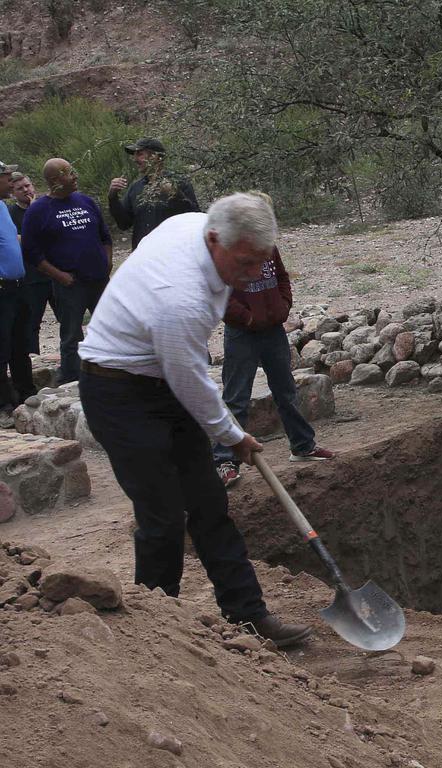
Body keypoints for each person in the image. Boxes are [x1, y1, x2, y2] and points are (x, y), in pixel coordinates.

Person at [76, 192, 312, 648]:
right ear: (213, 239)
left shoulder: (198, 227)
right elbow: (189, 379)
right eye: (243, 264)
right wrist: (233, 435)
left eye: (258, 265)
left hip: (160, 376)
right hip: (116, 389)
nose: (249, 276)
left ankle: (248, 615)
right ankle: (158, 631)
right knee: (162, 515)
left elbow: (181, 377)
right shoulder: (178, 297)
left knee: (209, 505)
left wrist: (226, 432)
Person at [212, 198, 334, 488]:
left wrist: (283, 306)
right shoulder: (230, 249)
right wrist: (248, 319)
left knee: (286, 390)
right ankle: (224, 460)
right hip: (242, 333)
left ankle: (302, 446)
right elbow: (220, 294)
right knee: (236, 397)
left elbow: (281, 277)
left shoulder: (268, 247)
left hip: (273, 330)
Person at [21, 158, 112, 384]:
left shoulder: (86, 201)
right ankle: (72, 379)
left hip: (99, 280)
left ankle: (112, 372)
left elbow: (105, 236)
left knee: (111, 328)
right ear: (54, 180)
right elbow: (32, 253)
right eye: (69, 173)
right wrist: (59, 275)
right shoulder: (39, 211)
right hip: (70, 284)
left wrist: (107, 263)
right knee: (72, 334)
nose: (75, 176)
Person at [108, 137, 200, 250]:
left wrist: (175, 194)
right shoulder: (135, 188)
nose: (135, 159)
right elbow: (124, 224)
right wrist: (113, 197)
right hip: (143, 256)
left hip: (173, 254)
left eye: (140, 154)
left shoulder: (179, 183)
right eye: (134, 155)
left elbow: (195, 218)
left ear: (156, 157)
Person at [8, 172, 59, 358]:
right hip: (30, 277)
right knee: (32, 324)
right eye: (19, 188)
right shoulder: (10, 213)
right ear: (12, 192)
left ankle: (74, 358)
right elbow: (16, 241)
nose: (25, 190)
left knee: (68, 318)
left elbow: (55, 235)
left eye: (27, 186)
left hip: (55, 273)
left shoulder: (47, 206)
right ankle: (35, 362)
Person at [0, 161, 30, 423]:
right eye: (7, 178)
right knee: (2, 347)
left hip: (17, 287)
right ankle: (3, 406)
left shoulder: (2, 207)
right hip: (1, 289)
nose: (11, 183)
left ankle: (24, 395)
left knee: (20, 344)